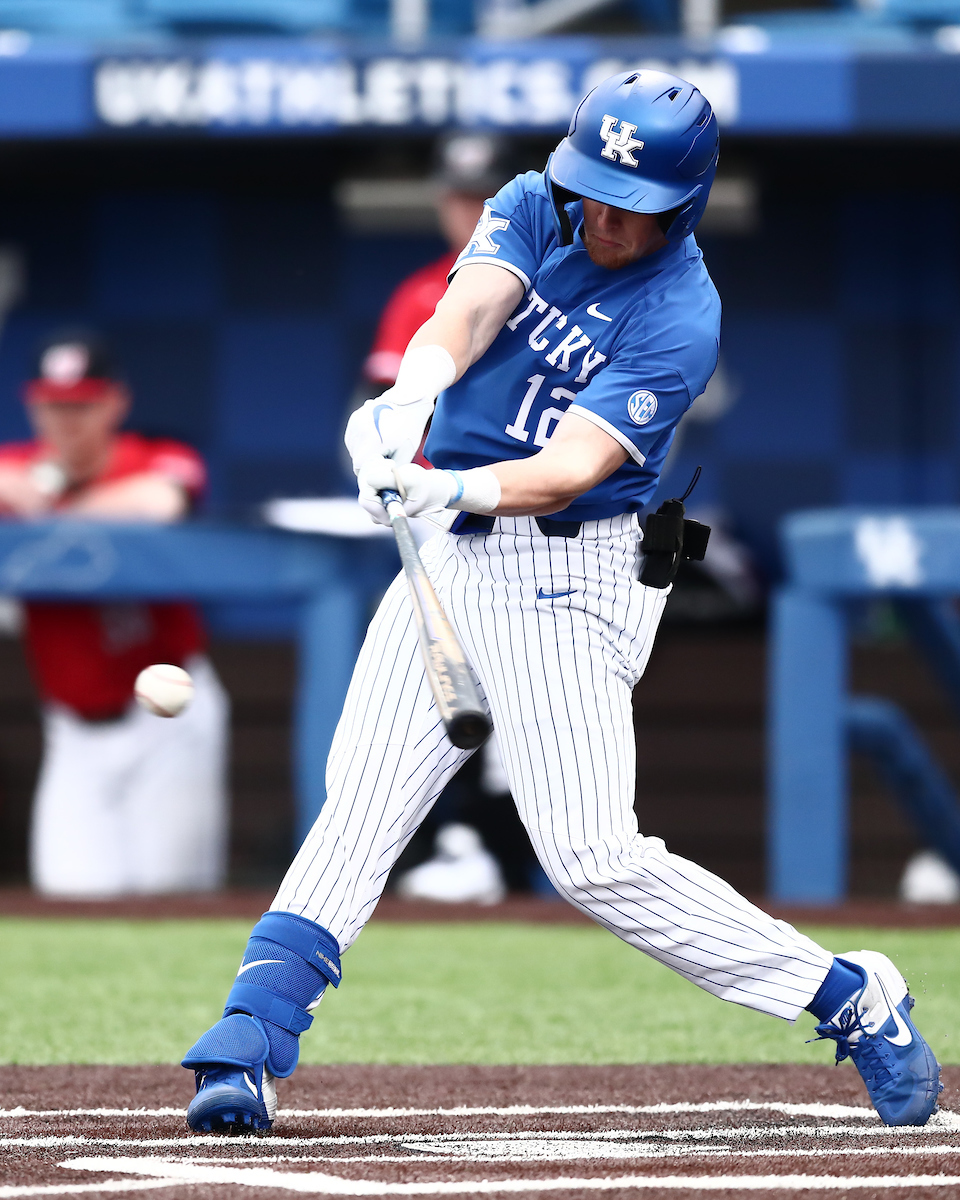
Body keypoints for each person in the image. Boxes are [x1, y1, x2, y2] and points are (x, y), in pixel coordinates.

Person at [182, 70, 941, 1132]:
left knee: (588, 854)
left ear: (683, 205)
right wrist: (412, 393)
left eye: (631, 205)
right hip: (455, 547)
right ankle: (251, 1042)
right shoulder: (541, 199)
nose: (603, 217)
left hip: (568, 572)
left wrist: (445, 483)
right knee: (360, 803)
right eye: (593, 191)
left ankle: (850, 997)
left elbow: (570, 469)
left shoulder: (681, 314)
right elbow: (474, 299)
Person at [0, 331, 229, 897]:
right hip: (72, 729)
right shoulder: (16, 466)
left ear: (115, 403)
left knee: (172, 898)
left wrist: (55, 512)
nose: (66, 421)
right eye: (54, 405)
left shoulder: (151, 458)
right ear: (33, 405)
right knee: (69, 898)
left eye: (82, 405)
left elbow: (165, 499)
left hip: (166, 717)